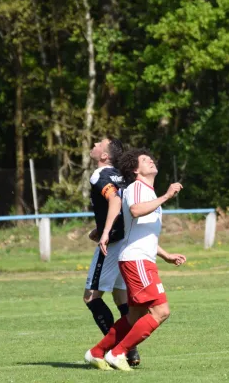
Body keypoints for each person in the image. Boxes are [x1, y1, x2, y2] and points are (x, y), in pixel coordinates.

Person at [84, 148, 186, 371]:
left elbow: (141, 232)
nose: (151, 160)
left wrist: (166, 255)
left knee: (134, 316)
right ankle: (118, 353)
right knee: (161, 312)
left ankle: (96, 352)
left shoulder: (148, 191)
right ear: (134, 169)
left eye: (151, 158)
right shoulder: (137, 187)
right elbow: (136, 210)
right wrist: (167, 196)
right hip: (137, 261)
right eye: (144, 160)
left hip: (141, 259)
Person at [83, 137, 140, 366]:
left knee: (91, 297)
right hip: (127, 242)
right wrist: (101, 228)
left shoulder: (100, 174)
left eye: (98, 143)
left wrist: (105, 232)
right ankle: (130, 350)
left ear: (104, 156)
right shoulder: (122, 176)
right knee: (120, 298)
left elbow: (114, 202)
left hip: (113, 244)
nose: (94, 144)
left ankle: (116, 349)